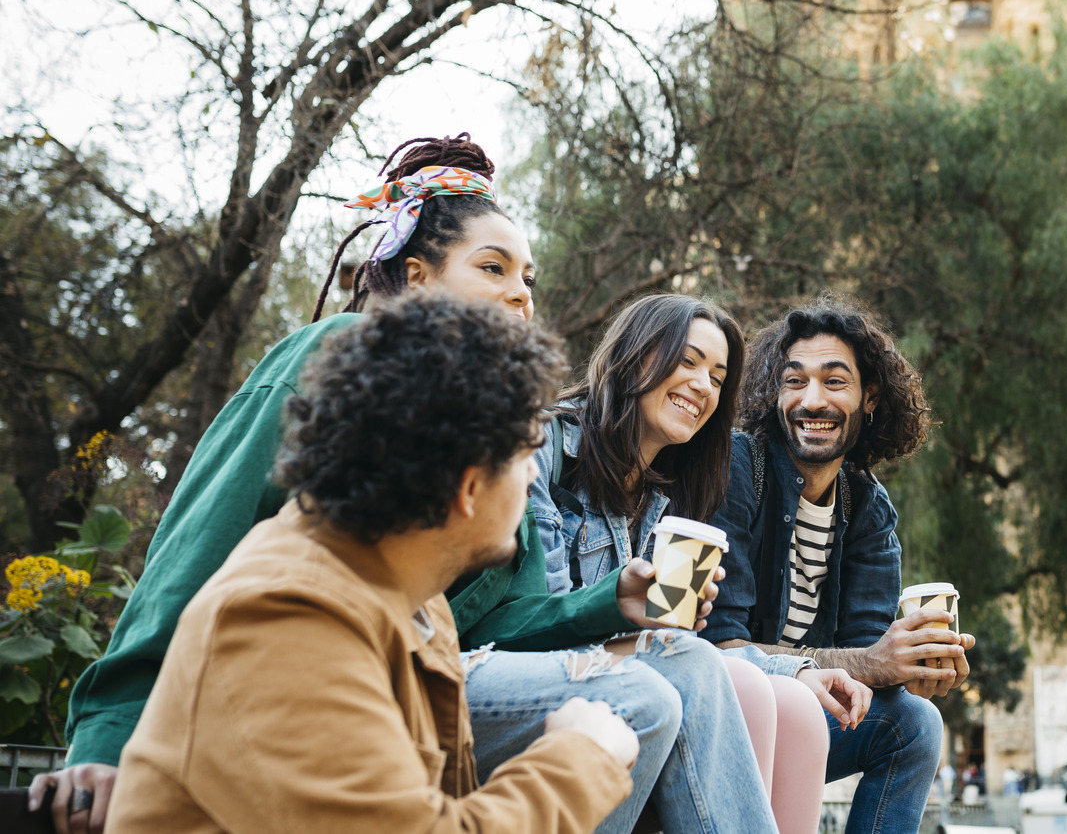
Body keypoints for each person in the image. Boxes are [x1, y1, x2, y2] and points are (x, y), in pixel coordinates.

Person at [40, 134, 770, 834]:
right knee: (637, 697)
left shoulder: (467, 472)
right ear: (416, 276)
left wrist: (609, 602)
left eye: (529, 280)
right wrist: (108, 738)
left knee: (686, 664)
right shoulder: (334, 370)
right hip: (323, 690)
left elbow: (499, 628)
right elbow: (195, 553)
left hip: (430, 679)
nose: (521, 297)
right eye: (493, 269)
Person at [105, 295, 638, 830]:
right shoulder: (287, 616)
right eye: (526, 455)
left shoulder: (414, 602)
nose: (530, 479)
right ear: (469, 487)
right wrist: (578, 758)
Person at [521, 292, 870, 834]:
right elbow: (542, 618)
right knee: (744, 686)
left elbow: (695, 643)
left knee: (798, 709)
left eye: (717, 375)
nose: (703, 385)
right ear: (635, 357)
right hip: (547, 669)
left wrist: (798, 668)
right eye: (687, 361)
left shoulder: (675, 491)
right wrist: (637, 616)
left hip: (641, 664)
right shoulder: (547, 447)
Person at [705, 296, 976, 834]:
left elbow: (869, 660)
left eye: (834, 382)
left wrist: (914, 669)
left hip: (807, 718)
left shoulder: (868, 510)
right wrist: (872, 662)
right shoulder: (737, 468)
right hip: (729, 712)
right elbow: (721, 647)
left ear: (868, 397)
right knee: (775, 692)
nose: (812, 400)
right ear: (774, 393)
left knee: (915, 723)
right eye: (794, 381)